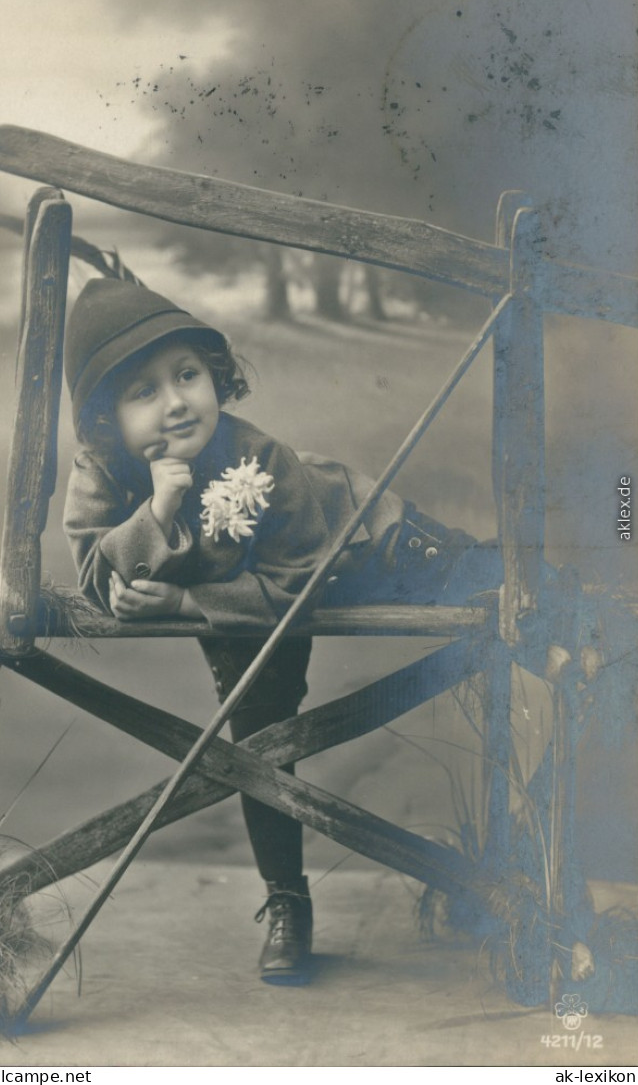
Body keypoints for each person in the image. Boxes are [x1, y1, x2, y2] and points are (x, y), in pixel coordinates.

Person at [63, 278, 502, 985]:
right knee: (260, 733)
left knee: (486, 571)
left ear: (215, 376)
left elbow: (297, 589)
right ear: (107, 421)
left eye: (187, 374)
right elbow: (93, 569)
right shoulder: (100, 472)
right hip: (245, 603)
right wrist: (160, 508)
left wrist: (178, 601)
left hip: (368, 546)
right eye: (143, 390)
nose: (176, 400)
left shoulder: (262, 458)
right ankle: (286, 901)